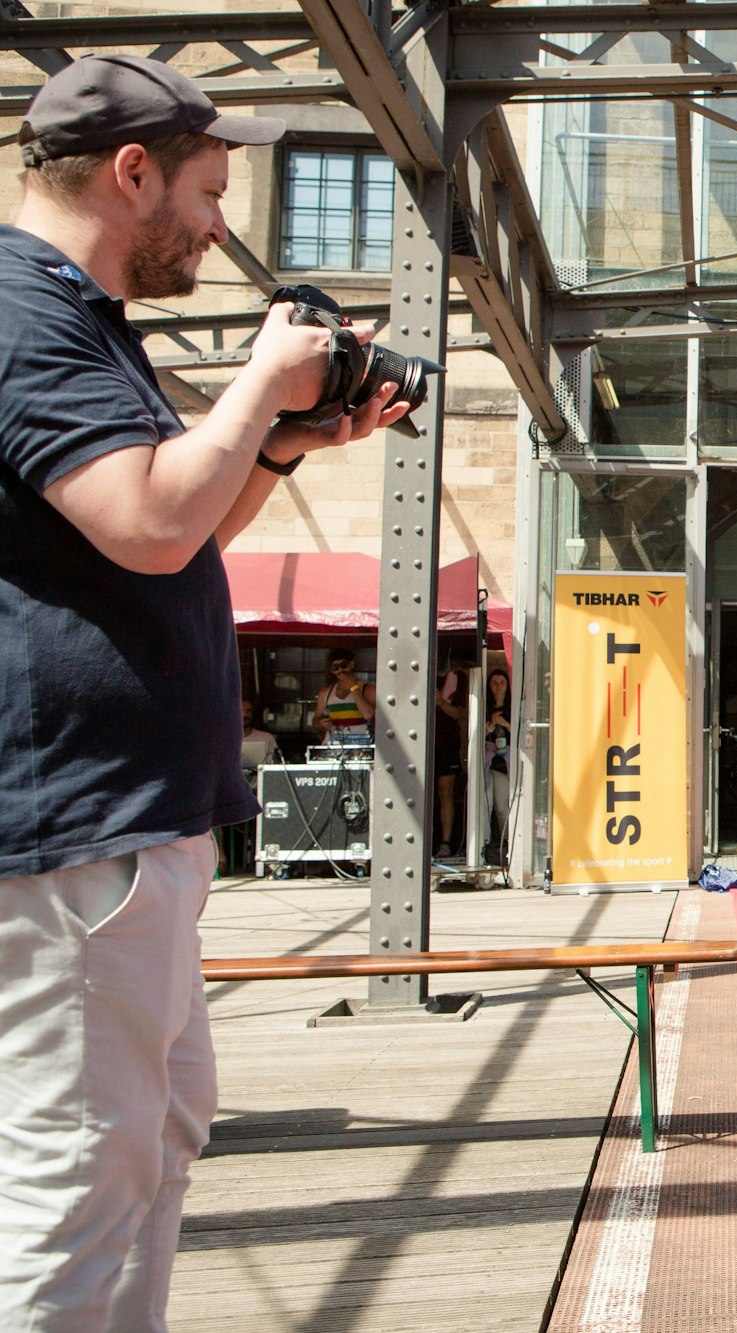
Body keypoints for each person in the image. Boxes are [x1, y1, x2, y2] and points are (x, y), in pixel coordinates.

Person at [0, 55, 406, 1330]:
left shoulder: (78, 315)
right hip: (80, 830)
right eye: (211, 191)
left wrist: (283, 439)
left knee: (153, 1149)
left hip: (130, 827)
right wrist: (256, 386)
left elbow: (183, 532)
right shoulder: (21, 311)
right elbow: (143, 522)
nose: (224, 225)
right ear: (133, 174)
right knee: (79, 1178)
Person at [434, 660, 469, 857]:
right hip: (421, 742)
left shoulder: (458, 678)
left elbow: (460, 713)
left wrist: (440, 702)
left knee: (445, 790)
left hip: (448, 741)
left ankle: (445, 843)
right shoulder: (421, 671)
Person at [312, 650, 376, 747]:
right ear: (331, 670)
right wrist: (321, 724)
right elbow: (315, 722)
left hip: (361, 747)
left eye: (344, 666)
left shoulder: (367, 689)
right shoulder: (325, 693)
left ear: (352, 664)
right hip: (333, 746)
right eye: (335, 668)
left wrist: (354, 688)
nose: (340, 670)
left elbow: (368, 715)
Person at [484, 667, 513, 860]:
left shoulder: (514, 707)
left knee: (502, 807)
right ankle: (485, 843)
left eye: (502, 682)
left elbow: (519, 731)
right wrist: (491, 726)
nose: (498, 686)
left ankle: (508, 841)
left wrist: (504, 723)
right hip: (488, 759)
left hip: (506, 759)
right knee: (487, 805)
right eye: (494, 683)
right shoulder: (483, 707)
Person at [240, 698, 279, 774]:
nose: (245, 715)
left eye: (248, 711)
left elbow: (275, 767)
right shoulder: (222, 739)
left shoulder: (267, 738)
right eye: (241, 711)